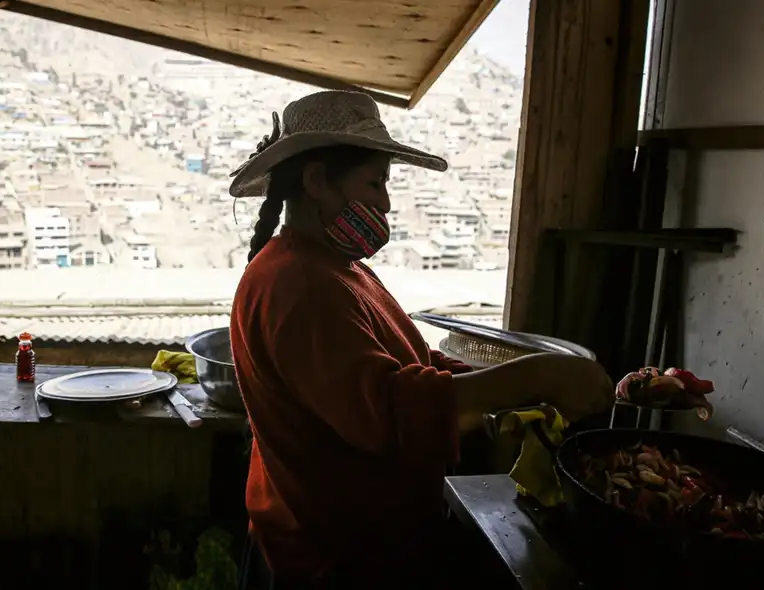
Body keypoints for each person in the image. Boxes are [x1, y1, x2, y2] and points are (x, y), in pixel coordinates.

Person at [228, 90, 613, 589]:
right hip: (331, 560)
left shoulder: (336, 268)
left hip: (352, 541)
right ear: (318, 181)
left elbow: (405, 363)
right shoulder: (299, 285)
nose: (385, 203)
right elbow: (391, 409)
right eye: (375, 183)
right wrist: (537, 374)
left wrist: (512, 389)